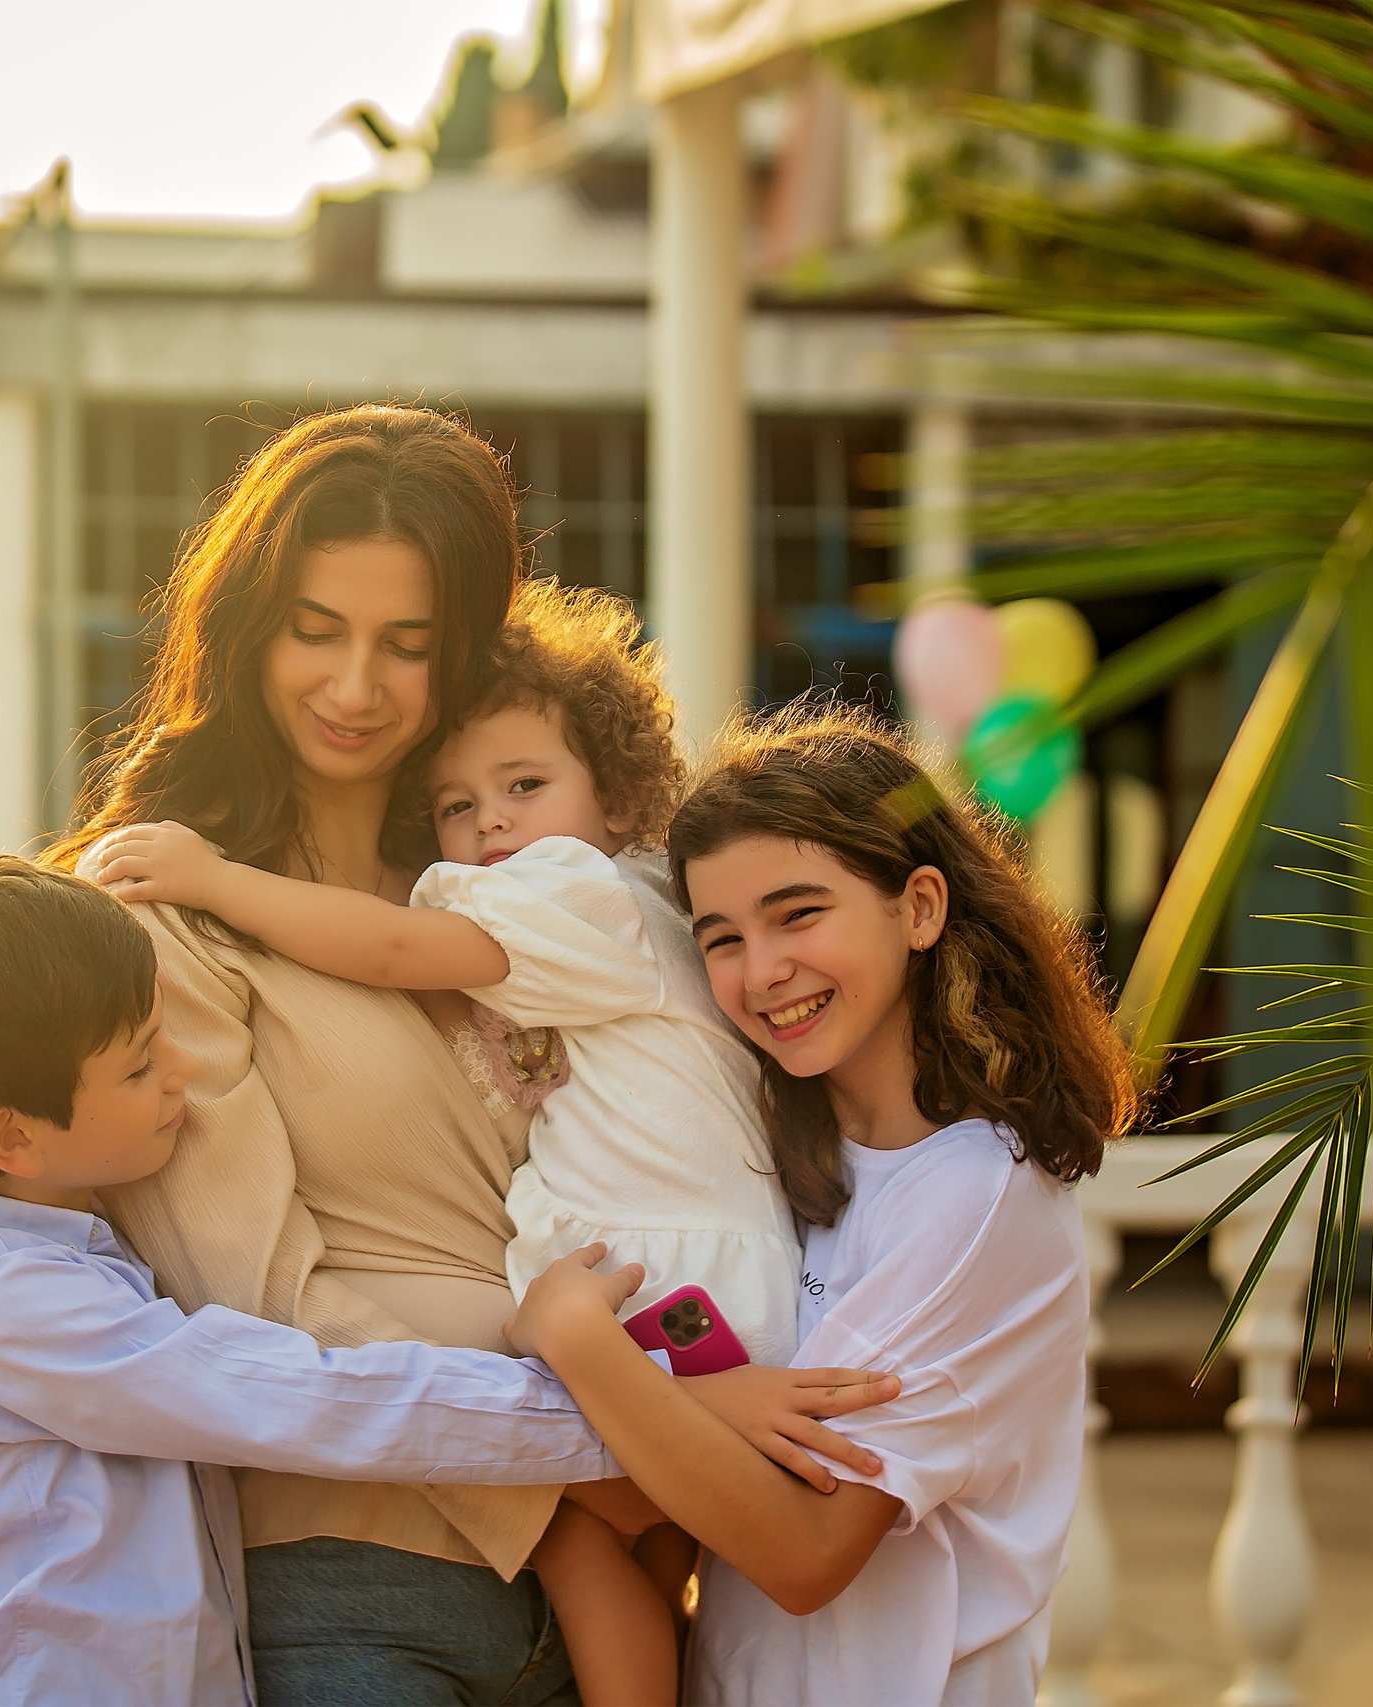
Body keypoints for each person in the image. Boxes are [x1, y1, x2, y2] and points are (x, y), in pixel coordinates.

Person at [52, 406, 886, 1705]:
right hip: (360, 1582)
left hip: (593, 1588)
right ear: (246, 625)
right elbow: (260, 1305)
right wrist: (594, 1453)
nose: (353, 687)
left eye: (406, 644)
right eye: (313, 629)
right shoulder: (171, 918)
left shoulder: (504, 889)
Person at [0, 853, 894, 1705]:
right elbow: (315, 1398)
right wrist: (652, 1418)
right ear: (12, 1136)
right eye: (135, 1067)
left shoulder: (69, 1246)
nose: (180, 1076)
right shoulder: (3, 1307)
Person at [504, 702, 1139, 1707]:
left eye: (798, 915)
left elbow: (804, 1553)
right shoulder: (779, 1158)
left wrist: (578, 1343)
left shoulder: (976, 1199)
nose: (761, 972)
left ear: (919, 907)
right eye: (719, 937)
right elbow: (692, 1446)